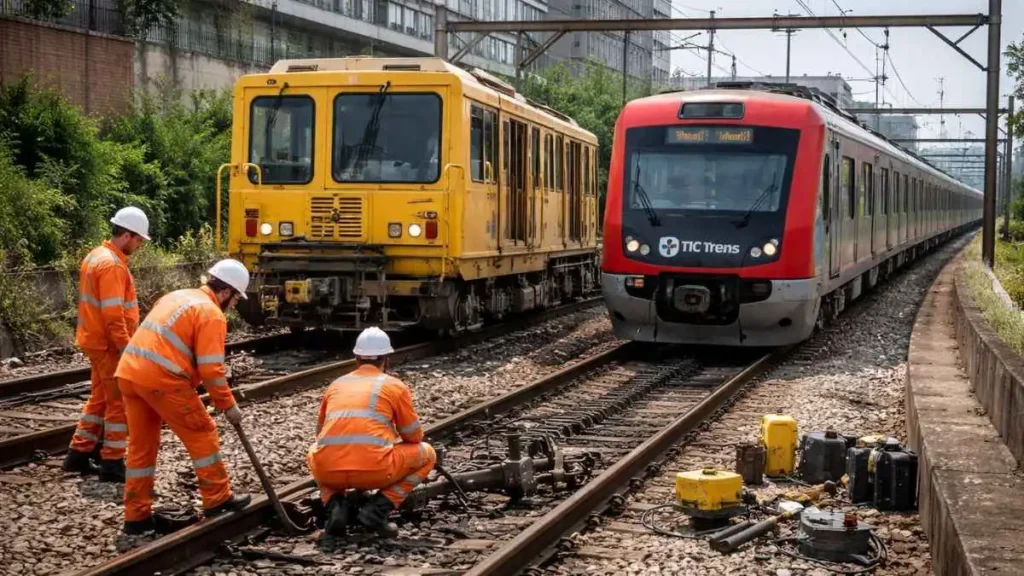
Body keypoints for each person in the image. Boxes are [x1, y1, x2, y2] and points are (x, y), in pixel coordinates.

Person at [115, 259, 253, 535]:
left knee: (142, 447)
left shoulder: (176, 296)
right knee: (202, 432)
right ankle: (217, 499)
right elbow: (211, 369)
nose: (235, 304)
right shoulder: (211, 314)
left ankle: (136, 517)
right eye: (236, 298)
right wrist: (228, 405)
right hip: (162, 379)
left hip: (129, 374)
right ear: (225, 292)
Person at [307, 327, 436, 538]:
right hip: (376, 471)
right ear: (386, 359)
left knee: (315, 451)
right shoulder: (394, 386)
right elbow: (413, 436)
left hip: (330, 472)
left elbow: (320, 434)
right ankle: (376, 511)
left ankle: (335, 505)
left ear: (356, 358)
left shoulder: (336, 385)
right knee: (428, 454)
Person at [64, 207, 150, 483]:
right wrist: (126, 348)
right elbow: (113, 315)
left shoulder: (95, 256)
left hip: (95, 340)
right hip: (109, 345)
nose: (139, 245)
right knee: (118, 402)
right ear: (127, 235)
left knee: (99, 398)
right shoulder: (112, 265)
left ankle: (78, 455)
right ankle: (112, 462)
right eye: (139, 240)